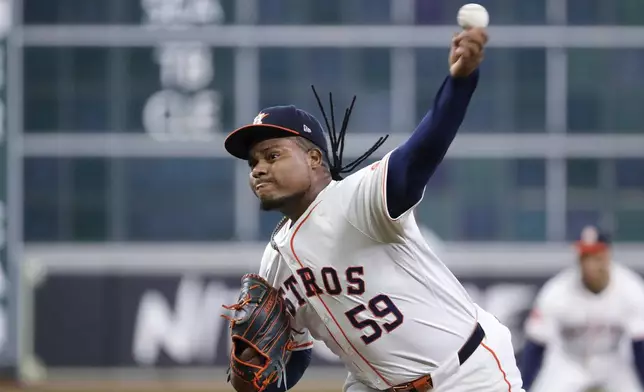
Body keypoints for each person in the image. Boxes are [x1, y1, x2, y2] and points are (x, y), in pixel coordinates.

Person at [224, 27, 524, 392]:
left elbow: (422, 152)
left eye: (273, 155)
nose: (258, 169)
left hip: (466, 375)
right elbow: (296, 351)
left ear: (315, 158)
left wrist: (460, 83)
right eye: (253, 162)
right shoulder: (273, 264)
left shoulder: (358, 199)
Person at [521, 225, 644, 392]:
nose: (590, 264)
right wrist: (525, 386)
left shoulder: (631, 288)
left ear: (607, 255)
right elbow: (535, 346)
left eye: (595, 256)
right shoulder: (557, 291)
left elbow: (640, 346)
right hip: (570, 362)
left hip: (613, 363)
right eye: (585, 256)